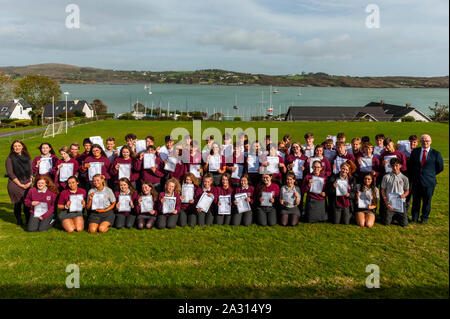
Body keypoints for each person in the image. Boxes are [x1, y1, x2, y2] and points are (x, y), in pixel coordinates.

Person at [409, 134, 444, 223]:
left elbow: (440, 167)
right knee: (416, 201)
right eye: (423, 141)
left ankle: (424, 218)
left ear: (430, 142)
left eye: (427, 141)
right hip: (416, 181)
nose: (425, 142)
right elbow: (411, 165)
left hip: (429, 182)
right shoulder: (415, 152)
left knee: (427, 201)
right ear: (420, 142)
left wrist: (430, 174)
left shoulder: (436, 153)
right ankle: (414, 217)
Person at [6, 140, 33, 225]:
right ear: (13, 148)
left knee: (27, 203)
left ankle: (28, 220)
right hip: (15, 183)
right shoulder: (10, 158)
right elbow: (10, 173)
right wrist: (20, 185)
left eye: (19, 146)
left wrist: (30, 181)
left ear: (22, 147)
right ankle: (19, 220)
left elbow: (31, 171)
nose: (17, 148)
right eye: (15, 146)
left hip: (27, 182)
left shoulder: (27, 157)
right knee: (18, 203)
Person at [381, 158, 410, 227]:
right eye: (393, 165)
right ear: (390, 166)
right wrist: (386, 202)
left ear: (400, 166)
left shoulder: (404, 178)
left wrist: (404, 195)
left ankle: (397, 216)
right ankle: (392, 216)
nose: (395, 167)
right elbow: (382, 190)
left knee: (404, 224)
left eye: (396, 165)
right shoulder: (386, 177)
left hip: (401, 202)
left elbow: (407, 191)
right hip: (389, 203)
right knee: (386, 223)